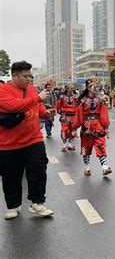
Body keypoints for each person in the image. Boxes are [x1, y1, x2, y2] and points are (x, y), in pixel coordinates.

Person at [0, 61, 55, 219]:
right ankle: (13, 206)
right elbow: (13, 106)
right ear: (14, 75)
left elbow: (38, 108)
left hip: (33, 139)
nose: (28, 79)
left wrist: (46, 113)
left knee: (38, 170)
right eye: (25, 76)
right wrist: (38, 98)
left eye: (30, 76)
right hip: (8, 144)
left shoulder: (31, 90)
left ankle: (37, 203)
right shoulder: (3, 90)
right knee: (11, 176)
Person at [73, 79, 111, 176]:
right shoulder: (82, 101)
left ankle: (104, 167)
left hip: (98, 125)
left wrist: (106, 127)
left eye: (96, 86)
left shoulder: (100, 100)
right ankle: (87, 168)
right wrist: (74, 128)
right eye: (93, 86)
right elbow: (79, 115)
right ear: (88, 88)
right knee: (86, 148)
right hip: (86, 127)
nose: (96, 88)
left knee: (100, 145)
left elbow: (104, 114)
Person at [54, 83, 78, 152]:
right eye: (70, 87)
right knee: (64, 130)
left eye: (73, 87)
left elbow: (78, 107)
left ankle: (69, 144)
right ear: (67, 88)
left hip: (73, 116)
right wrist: (55, 110)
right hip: (65, 116)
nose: (72, 88)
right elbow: (57, 105)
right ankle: (65, 144)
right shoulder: (62, 97)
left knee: (72, 130)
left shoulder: (75, 97)